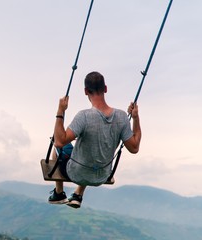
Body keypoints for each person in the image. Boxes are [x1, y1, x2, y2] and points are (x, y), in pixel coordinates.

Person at [48, 71, 141, 208]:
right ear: (105, 89)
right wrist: (135, 118)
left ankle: (59, 192)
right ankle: (78, 194)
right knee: (89, 150)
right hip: (102, 176)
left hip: (76, 173)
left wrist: (60, 110)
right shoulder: (121, 117)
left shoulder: (84, 116)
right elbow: (134, 148)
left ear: (86, 91)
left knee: (57, 144)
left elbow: (59, 141)